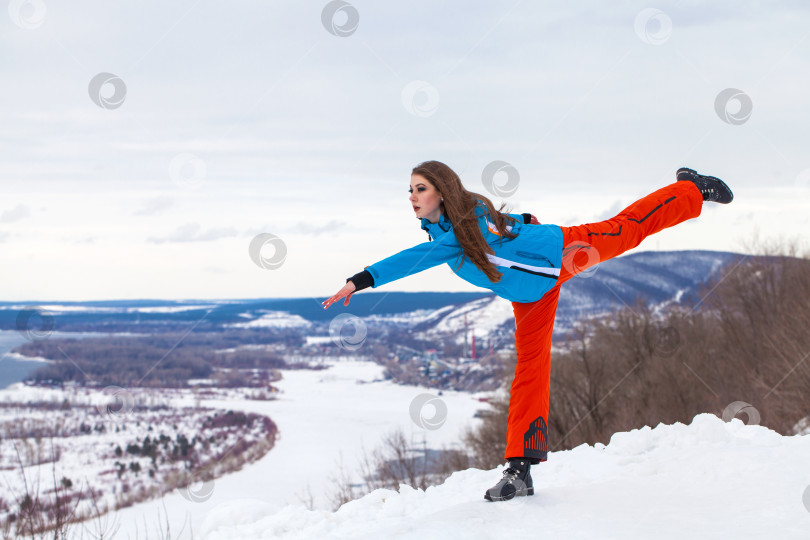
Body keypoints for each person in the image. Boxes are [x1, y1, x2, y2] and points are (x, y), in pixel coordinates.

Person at [321, 160, 733, 502]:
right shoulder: (447, 233)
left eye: (420, 188)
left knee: (626, 229)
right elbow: (495, 230)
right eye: (409, 189)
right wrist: (520, 220)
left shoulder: (459, 231)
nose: (412, 197)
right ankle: (520, 469)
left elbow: (409, 259)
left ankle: (691, 190)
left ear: (441, 192)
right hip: (532, 296)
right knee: (529, 370)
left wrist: (360, 280)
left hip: (564, 253)